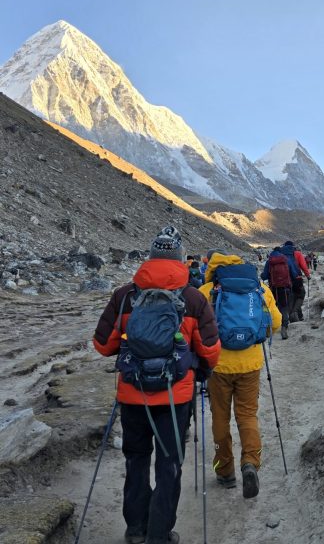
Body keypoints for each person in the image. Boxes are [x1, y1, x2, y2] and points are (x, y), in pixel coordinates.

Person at [93, 226, 220, 544]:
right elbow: (210, 350)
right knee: (169, 464)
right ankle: (160, 534)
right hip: (175, 397)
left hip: (133, 395)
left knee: (136, 459)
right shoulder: (193, 298)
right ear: (179, 258)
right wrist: (199, 367)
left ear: (150, 258)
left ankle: (135, 528)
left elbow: (102, 345)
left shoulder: (124, 296)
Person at [199, 250, 282, 499]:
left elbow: (194, 329)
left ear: (212, 268)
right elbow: (275, 323)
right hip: (251, 364)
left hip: (217, 367)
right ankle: (250, 464)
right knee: (247, 415)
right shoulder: (259, 288)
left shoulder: (207, 291)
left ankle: (225, 471)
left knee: (220, 418)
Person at [261, 247, 295, 339]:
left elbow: (264, 276)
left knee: (273, 307)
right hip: (285, 289)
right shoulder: (286, 260)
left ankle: (271, 328)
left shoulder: (270, 261)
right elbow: (293, 273)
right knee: (284, 307)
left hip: (274, 289)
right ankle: (284, 328)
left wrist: (262, 275)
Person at [278, 240, 311, 321]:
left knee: (291, 297)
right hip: (297, 278)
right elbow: (303, 266)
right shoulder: (297, 253)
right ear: (292, 246)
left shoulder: (280, 254)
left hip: (284, 280)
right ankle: (295, 313)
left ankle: (298, 316)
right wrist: (307, 275)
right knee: (300, 295)